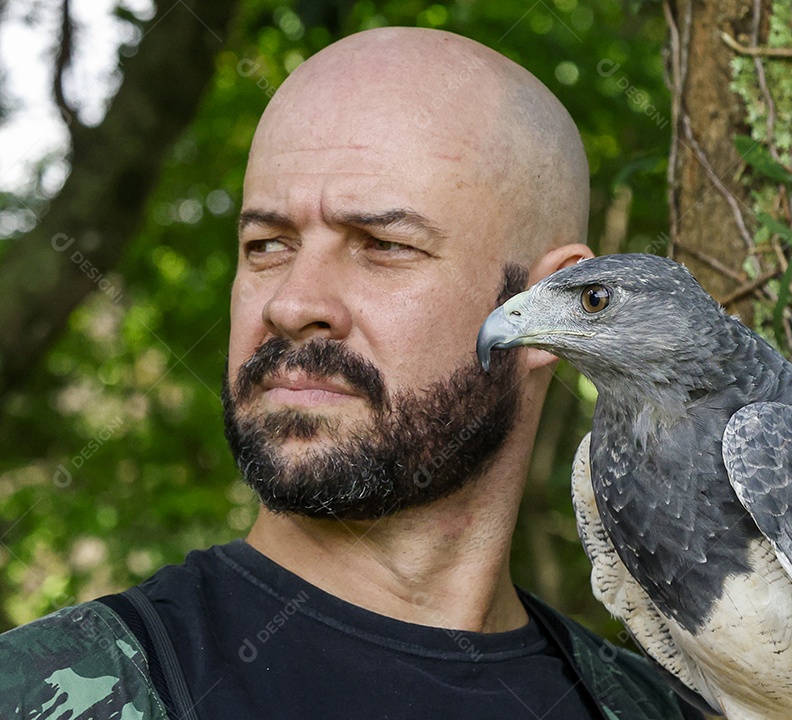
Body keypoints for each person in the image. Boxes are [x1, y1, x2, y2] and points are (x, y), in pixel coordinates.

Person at [0, 27, 704, 720]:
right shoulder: (44, 693)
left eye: (383, 245)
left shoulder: (665, 711)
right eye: (267, 244)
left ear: (558, 310)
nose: (292, 304)